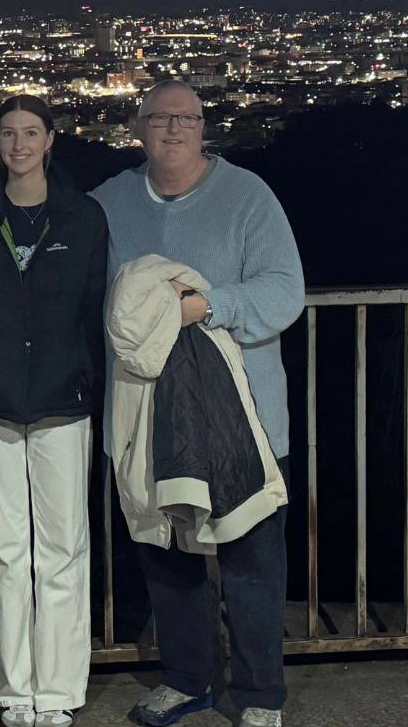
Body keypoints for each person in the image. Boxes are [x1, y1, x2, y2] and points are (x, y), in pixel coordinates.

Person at [91, 80, 304, 727]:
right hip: (147, 419)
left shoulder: (247, 196)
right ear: (137, 128)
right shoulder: (109, 202)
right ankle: (187, 680)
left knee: (251, 563)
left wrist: (207, 307)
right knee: (165, 558)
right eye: (160, 118)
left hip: (242, 420)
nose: (174, 129)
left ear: (205, 127)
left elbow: (283, 290)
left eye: (187, 118)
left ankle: (260, 694)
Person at [0, 95, 109, 727]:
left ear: (51, 140)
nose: (19, 144)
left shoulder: (83, 216)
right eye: (8, 133)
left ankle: (60, 690)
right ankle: (15, 688)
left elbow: (95, 309)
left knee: (64, 548)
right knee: (2, 548)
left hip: (62, 400)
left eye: (30, 132)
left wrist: (89, 384)